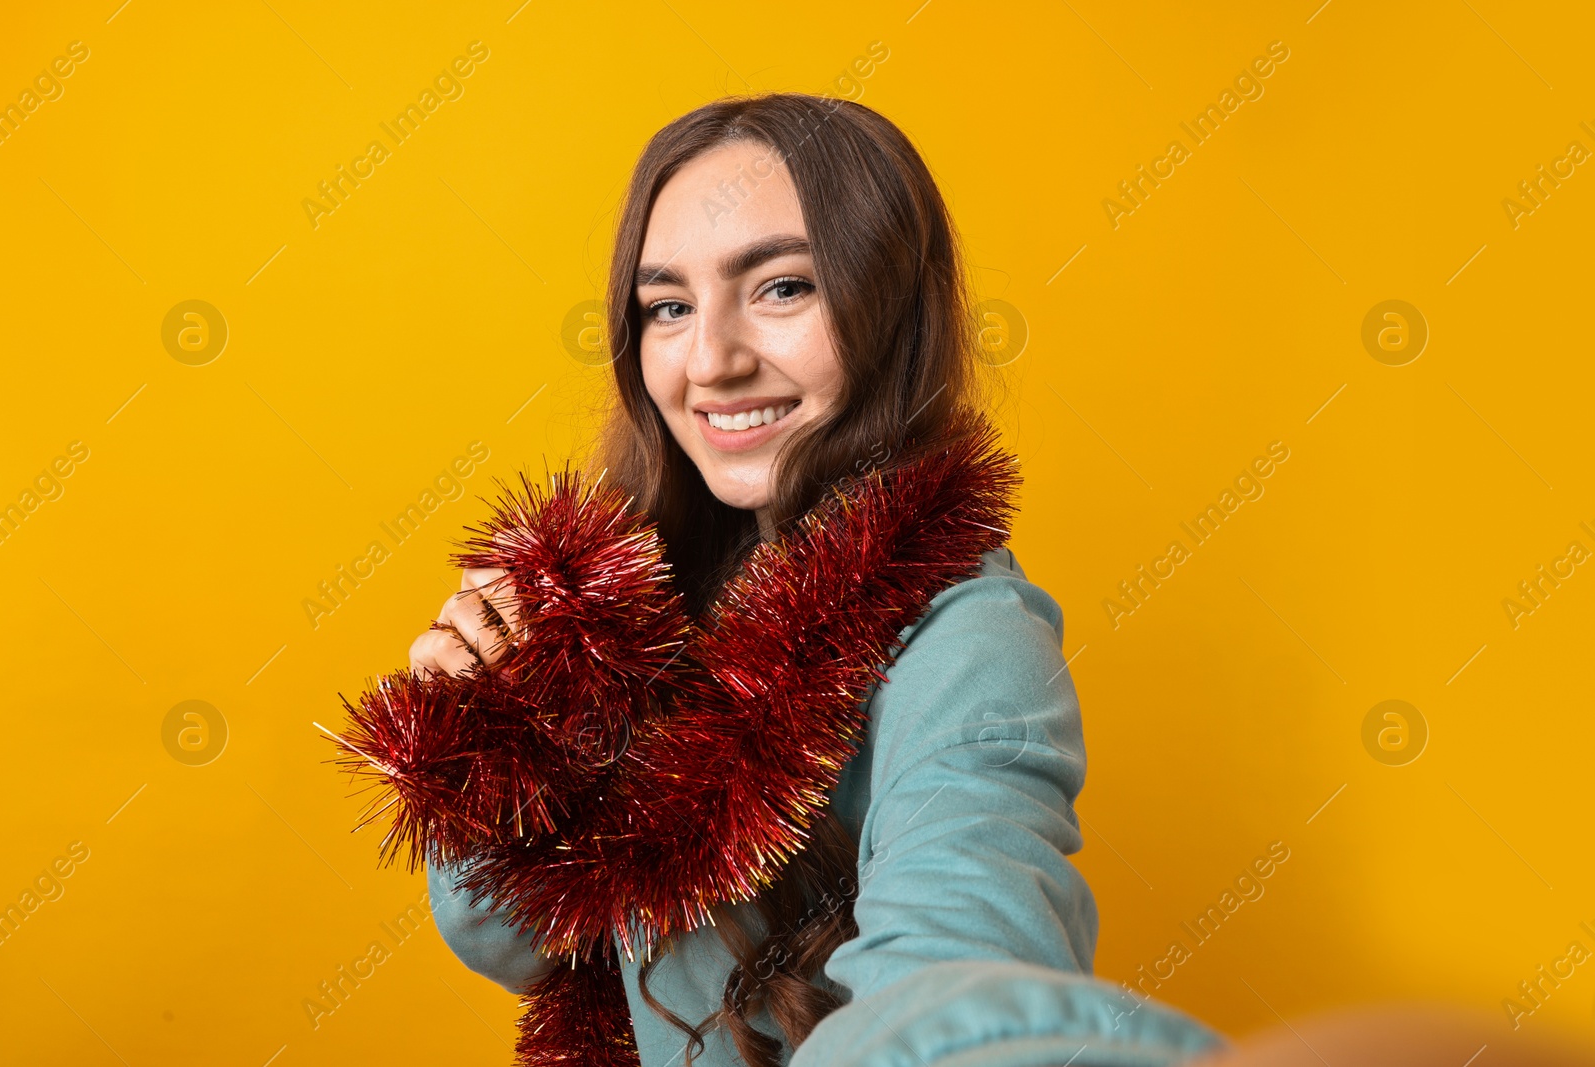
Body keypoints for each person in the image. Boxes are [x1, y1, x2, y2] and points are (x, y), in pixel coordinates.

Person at [406, 93, 1222, 1066]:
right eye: (668, 305)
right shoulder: (639, 604)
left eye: (781, 287)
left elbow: (946, 996)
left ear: (888, 310)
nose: (710, 359)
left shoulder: (971, 639)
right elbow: (527, 942)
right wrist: (488, 746)